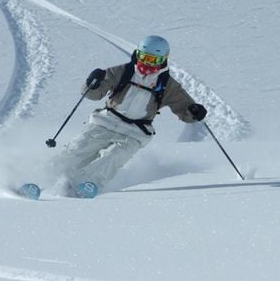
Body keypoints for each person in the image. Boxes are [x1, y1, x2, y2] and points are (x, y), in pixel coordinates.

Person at [50, 35, 207, 198]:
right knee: (79, 148)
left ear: (163, 60)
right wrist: (92, 83)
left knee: (115, 156)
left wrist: (194, 111)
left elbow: (184, 109)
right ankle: (40, 177)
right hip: (106, 121)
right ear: (137, 54)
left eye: (153, 60)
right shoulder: (122, 71)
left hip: (135, 132)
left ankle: (85, 184)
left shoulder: (167, 84)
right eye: (144, 58)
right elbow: (94, 95)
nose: (147, 64)